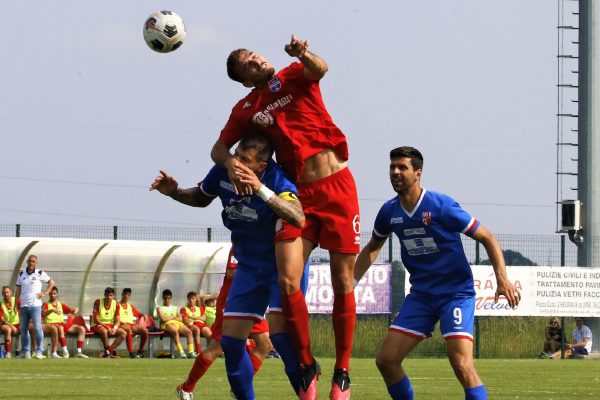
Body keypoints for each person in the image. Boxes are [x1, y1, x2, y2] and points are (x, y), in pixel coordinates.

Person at [211, 35, 360, 399]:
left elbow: (321, 68)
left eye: (253, 54)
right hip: (298, 197)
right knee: (289, 281)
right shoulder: (247, 108)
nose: (255, 60)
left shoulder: (294, 74)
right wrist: (231, 164)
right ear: (245, 79)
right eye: (247, 63)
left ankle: (342, 371)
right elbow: (218, 148)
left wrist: (303, 53)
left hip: (337, 185)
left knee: (343, 281)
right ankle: (306, 362)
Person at [353, 147, 521, 400]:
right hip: (421, 296)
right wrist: (350, 282)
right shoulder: (389, 212)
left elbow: (487, 237)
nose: (395, 172)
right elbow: (373, 247)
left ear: (418, 173)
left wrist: (502, 279)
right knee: (386, 361)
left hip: (455, 295)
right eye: (392, 167)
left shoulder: (441, 206)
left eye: (402, 167)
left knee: (461, 364)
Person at [151, 133, 307, 399]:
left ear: (262, 165)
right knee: (232, 344)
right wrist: (174, 192)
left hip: (282, 268)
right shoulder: (223, 171)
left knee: (282, 341)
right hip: (248, 268)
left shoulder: (275, 178)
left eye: (244, 161)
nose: (236, 164)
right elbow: (201, 197)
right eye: (235, 156)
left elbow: (297, 216)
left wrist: (260, 189)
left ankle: (308, 394)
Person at [14, 254, 55, 359]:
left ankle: (39, 352)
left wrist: (45, 293)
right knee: (23, 329)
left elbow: (51, 282)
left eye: (33, 261)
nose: (31, 263)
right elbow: (18, 289)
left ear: (36, 263)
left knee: (38, 328)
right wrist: (15, 304)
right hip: (24, 306)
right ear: (27, 262)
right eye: (29, 261)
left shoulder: (39, 273)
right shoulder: (21, 274)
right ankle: (26, 352)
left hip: (36, 306)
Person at [42, 286, 89, 359]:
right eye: (51, 294)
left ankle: (79, 352)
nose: (52, 295)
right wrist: (52, 310)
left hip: (61, 324)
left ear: (57, 294)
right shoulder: (45, 304)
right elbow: (43, 314)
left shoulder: (61, 305)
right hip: (51, 324)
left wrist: (76, 309)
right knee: (60, 328)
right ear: (49, 295)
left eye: (54, 293)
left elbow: (71, 311)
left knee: (82, 329)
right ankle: (65, 351)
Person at [156, 289, 195, 358]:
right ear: (162, 298)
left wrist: (168, 317)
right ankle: (181, 352)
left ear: (171, 298)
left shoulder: (175, 308)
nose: (167, 300)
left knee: (189, 332)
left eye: (168, 298)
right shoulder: (159, 308)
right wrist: (173, 316)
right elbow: (163, 319)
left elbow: (180, 318)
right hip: (167, 325)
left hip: (177, 323)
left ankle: (191, 352)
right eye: (165, 298)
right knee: (175, 332)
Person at [91, 286, 127, 358]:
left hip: (110, 325)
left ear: (113, 296)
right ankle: (108, 352)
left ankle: (108, 351)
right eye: (107, 295)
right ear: (104, 295)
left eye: (111, 295)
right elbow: (96, 319)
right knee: (104, 331)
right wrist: (107, 327)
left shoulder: (116, 304)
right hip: (97, 325)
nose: (109, 297)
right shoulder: (97, 302)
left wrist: (115, 328)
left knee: (123, 333)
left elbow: (117, 320)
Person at [118, 288, 149, 358]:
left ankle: (140, 352)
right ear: (122, 294)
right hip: (120, 324)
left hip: (130, 324)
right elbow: (114, 317)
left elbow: (137, 314)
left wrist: (143, 314)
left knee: (145, 330)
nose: (126, 296)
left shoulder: (130, 306)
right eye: (125, 294)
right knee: (128, 329)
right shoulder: (116, 305)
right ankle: (131, 353)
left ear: (130, 296)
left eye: (128, 295)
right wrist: (122, 322)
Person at [0, 286, 21, 359]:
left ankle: (25, 351)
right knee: (8, 329)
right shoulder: (1, 303)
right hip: (5, 324)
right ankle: (8, 353)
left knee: (25, 329)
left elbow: (24, 309)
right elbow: (2, 319)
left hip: (17, 323)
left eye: (7, 292)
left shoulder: (16, 300)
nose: (6, 294)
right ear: (2, 294)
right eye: (4, 292)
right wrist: (12, 326)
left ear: (11, 293)